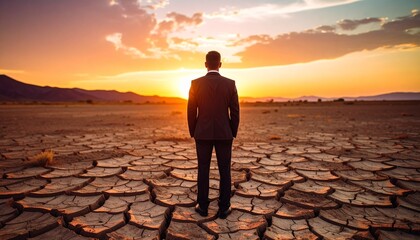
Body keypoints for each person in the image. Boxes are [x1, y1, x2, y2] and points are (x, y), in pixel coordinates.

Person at [187, 51, 240, 219]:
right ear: (220, 64)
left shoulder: (195, 84)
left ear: (205, 64)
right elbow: (235, 111)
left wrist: (194, 131)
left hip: (202, 133)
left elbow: (190, 111)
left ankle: (202, 206)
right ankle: (224, 208)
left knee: (203, 169)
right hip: (225, 134)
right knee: (225, 170)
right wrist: (232, 131)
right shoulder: (230, 84)